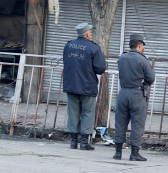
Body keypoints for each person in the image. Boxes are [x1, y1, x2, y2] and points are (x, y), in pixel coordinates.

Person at [63, 22, 106, 150]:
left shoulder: (68, 46)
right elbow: (100, 68)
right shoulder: (93, 47)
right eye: (90, 32)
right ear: (87, 34)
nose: (91, 34)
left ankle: (73, 142)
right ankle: (84, 143)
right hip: (87, 86)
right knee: (88, 113)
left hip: (71, 84)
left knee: (73, 112)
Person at [113, 34, 155, 161]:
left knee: (120, 122)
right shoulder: (143, 60)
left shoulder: (122, 58)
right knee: (137, 123)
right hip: (137, 94)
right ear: (140, 45)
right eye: (143, 47)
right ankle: (134, 154)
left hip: (123, 92)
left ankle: (118, 152)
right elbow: (151, 78)